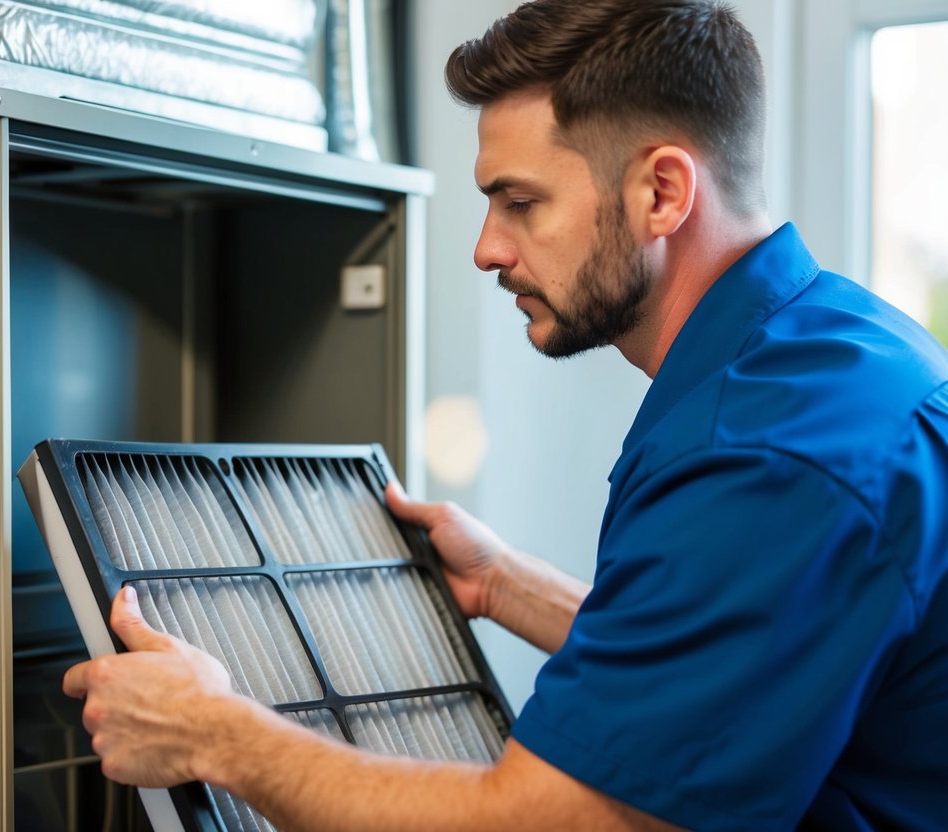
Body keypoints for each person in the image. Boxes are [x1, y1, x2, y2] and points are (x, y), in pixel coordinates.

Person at [63, 0, 948, 829]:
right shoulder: (828, 354)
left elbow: (555, 819)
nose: (487, 248)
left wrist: (215, 735)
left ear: (662, 193)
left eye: (520, 203)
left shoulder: (765, 451)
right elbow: (747, 664)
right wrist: (505, 585)